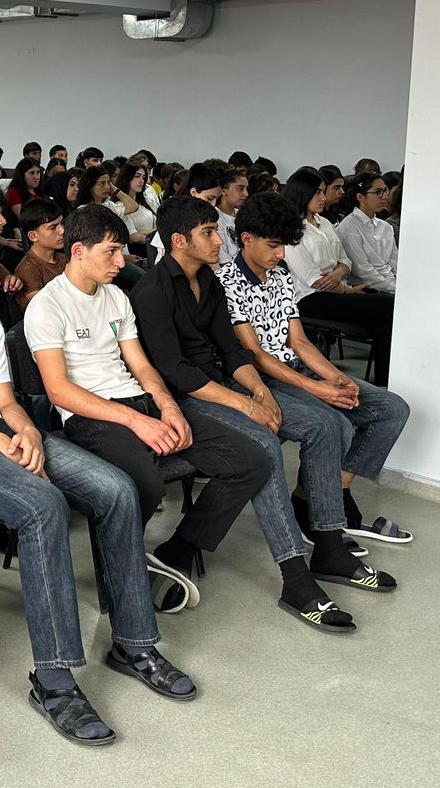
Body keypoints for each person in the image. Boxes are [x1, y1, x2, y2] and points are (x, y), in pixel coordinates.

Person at [0, 222, 196, 746]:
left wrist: (26, 432)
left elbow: (5, 401)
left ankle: (134, 643)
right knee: (45, 507)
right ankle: (53, 680)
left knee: (117, 491)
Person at [131, 197, 367, 633]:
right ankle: (294, 577)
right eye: (208, 233)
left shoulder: (208, 281)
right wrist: (245, 403)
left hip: (224, 384)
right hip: (183, 398)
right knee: (262, 446)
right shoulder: (152, 291)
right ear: (179, 240)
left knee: (322, 426)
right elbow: (175, 372)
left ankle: (329, 544)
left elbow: (231, 349)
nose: (218, 240)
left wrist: (259, 391)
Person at [23, 205, 269, 613]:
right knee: (146, 484)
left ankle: (177, 551)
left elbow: (140, 365)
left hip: (138, 402)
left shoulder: (116, 297)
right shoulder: (48, 306)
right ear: (79, 251)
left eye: (121, 251)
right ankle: (121, 580)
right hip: (92, 415)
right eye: (111, 251)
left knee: (250, 460)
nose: (121, 262)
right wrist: (138, 422)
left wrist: (168, 407)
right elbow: (60, 391)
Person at [219, 193, 416, 548]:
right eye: (274, 245)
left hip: (294, 368)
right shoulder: (227, 283)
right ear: (247, 238)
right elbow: (256, 355)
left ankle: (326, 493)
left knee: (391, 409)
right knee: (335, 422)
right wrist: (317, 389)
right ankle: (327, 518)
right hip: (261, 378)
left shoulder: (279, 277)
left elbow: (299, 341)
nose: (281, 254)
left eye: (284, 246)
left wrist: (335, 378)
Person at [278, 169, 395, 385]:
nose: (323, 197)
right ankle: (384, 380)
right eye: (318, 192)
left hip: (336, 290)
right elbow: (314, 280)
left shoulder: (324, 223)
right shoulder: (291, 228)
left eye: (324, 192)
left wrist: (339, 274)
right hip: (309, 298)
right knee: (389, 305)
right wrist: (347, 290)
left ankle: (384, 382)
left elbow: (345, 261)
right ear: (303, 193)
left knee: (384, 322)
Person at [336, 173, 397, 292]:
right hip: (365, 289)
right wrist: (395, 289)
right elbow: (363, 271)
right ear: (360, 197)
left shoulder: (386, 226)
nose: (384, 196)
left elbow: (395, 263)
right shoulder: (349, 227)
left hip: (391, 285)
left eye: (385, 190)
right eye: (378, 192)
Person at [13, 199, 66, 309]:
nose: (62, 230)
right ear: (33, 236)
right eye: (53, 227)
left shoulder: (65, 258)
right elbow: (45, 307)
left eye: (62, 223)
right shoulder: (28, 269)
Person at [213, 167, 249, 266]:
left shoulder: (244, 215)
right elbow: (223, 261)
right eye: (240, 189)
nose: (246, 194)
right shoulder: (215, 218)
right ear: (223, 191)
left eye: (246, 189)